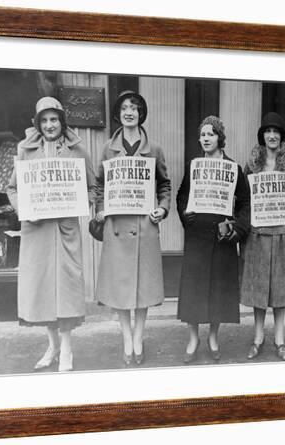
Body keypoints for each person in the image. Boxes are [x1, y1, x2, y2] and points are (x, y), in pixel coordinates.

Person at [6, 97, 95, 372]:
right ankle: (52, 346)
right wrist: (24, 207)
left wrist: (82, 202)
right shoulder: (25, 150)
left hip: (65, 230)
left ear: (61, 120)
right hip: (37, 230)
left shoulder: (77, 150)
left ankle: (67, 349)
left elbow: (92, 188)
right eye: (44, 120)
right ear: (37, 123)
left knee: (66, 290)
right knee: (42, 289)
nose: (49, 125)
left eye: (54, 119)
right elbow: (13, 188)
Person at [94, 90, 171, 366]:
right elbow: (99, 185)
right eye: (124, 108)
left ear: (141, 114)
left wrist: (162, 208)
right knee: (120, 289)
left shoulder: (156, 149)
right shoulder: (107, 148)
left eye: (134, 108)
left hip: (144, 227)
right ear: (119, 114)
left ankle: (139, 338)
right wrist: (100, 208)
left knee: (142, 290)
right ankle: (126, 339)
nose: (129, 112)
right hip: (116, 226)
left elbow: (164, 185)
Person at [176, 115, 250, 363]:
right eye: (203, 134)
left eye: (211, 134)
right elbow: (181, 196)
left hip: (222, 240)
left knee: (219, 290)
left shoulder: (233, 169)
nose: (206, 138)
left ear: (220, 138)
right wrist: (186, 215)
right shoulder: (194, 166)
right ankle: (193, 338)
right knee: (194, 289)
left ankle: (213, 337)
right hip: (197, 237)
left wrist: (235, 229)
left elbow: (245, 204)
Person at [240, 112, 285, 361]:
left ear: (281, 136)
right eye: (268, 131)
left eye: (276, 132)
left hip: (282, 238)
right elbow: (244, 203)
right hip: (257, 237)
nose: (272, 136)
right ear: (262, 136)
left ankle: (279, 339)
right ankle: (258, 337)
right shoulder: (251, 166)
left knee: (279, 292)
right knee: (258, 292)